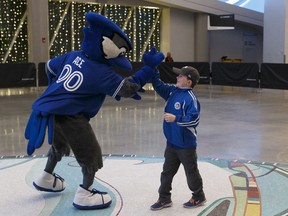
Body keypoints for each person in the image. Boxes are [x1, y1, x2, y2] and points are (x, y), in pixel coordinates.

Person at [24, 12, 164, 210]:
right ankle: (85, 193)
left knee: (59, 145)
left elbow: (50, 67)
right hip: (73, 117)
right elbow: (126, 89)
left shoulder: (73, 55)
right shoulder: (101, 72)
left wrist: (56, 92)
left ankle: (46, 176)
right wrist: (148, 69)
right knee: (90, 155)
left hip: (51, 112)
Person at [150, 66, 206, 210]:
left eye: (181, 76)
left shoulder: (191, 99)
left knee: (191, 172)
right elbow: (158, 85)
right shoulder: (172, 91)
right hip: (172, 143)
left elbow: (194, 120)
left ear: (189, 82)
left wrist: (176, 118)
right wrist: (154, 69)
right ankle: (164, 198)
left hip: (186, 145)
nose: (177, 78)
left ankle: (199, 196)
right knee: (166, 173)